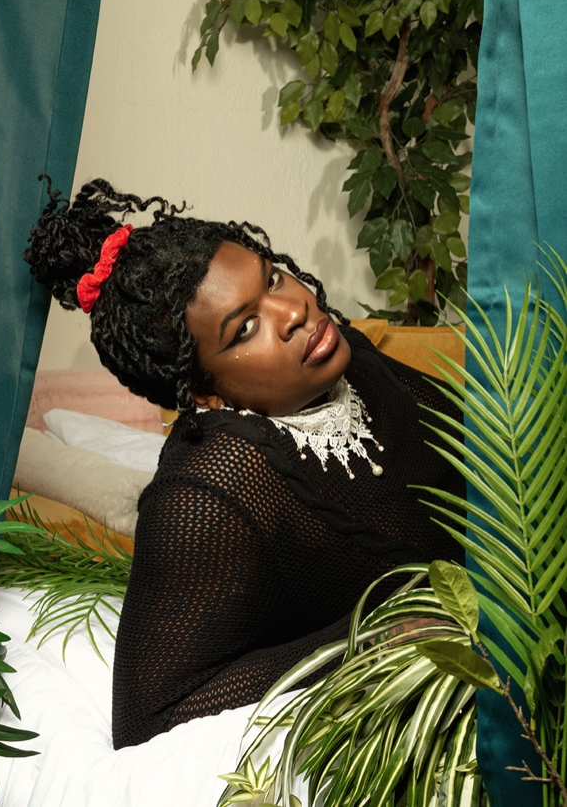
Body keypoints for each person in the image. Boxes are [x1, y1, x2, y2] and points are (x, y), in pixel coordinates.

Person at [24, 176, 465, 751]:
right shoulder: (213, 483)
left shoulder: (343, 358)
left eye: (273, 278)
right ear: (205, 392)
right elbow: (148, 717)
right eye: (247, 328)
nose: (295, 310)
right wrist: (367, 640)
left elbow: (472, 455)